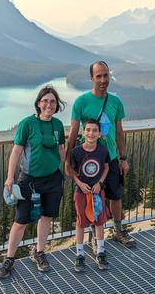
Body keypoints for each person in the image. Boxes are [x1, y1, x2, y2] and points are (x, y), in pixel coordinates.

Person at [0, 85, 66, 278]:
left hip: (52, 179)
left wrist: (71, 166)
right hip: (29, 181)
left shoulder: (58, 125)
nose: (49, 105)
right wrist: (10, 177)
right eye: (45, 101)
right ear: (38, 103)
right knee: (21, 220)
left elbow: (61, 150)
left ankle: (39, 253)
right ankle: (9, 259)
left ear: (56, 105)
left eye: (53, 101)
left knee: (46, 217)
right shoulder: (27, 124)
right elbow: (17, 151)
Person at [65, 60, 136, 248]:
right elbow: (73, 133)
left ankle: (118, 231)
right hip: (88, 159)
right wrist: (68, 160)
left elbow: (119, 132)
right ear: (91, 78)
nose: (103, 80)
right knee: (90, 197)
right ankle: (95, 238)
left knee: (115, 195)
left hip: (110, 158)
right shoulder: (81, 102)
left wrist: (122, 158)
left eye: (105, 75)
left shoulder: (115, 102)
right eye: (99, 76)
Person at [71, 119, 110, 272]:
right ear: (83, 132)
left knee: (99, 221)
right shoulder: (76, 152)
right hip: (81, 192)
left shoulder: (102, 151)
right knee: (81, 221)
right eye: (88, 130)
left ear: (99, 133)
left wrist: (100, 182)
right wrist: (80, 184)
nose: (91, 133)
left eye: (94, 130)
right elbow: (72, 172)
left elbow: (106, 167)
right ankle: (79, 254)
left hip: (97, 192)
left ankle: (101, 251)